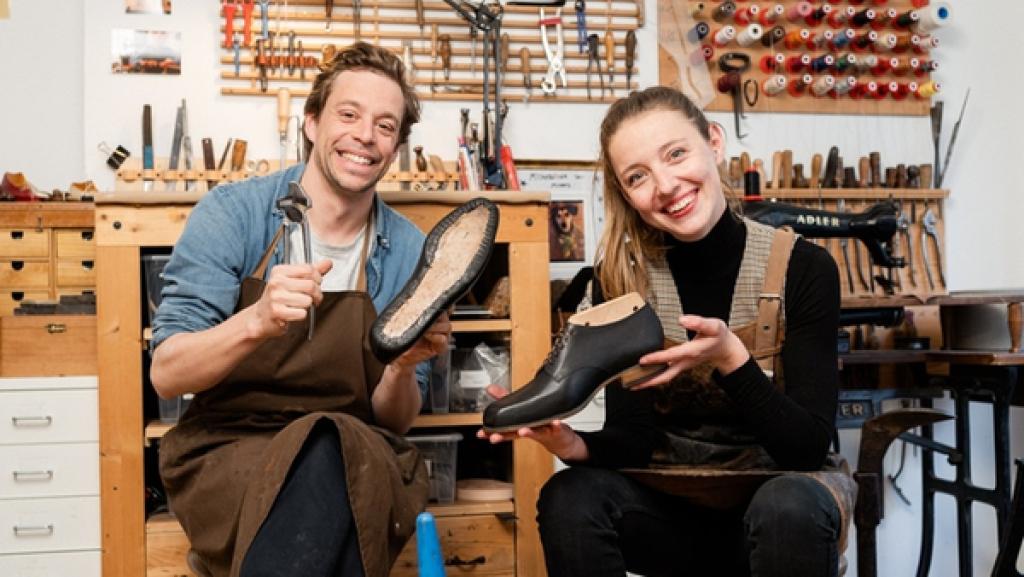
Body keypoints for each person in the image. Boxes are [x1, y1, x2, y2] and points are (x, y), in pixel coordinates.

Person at [481, 86, 851, 577]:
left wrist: (730, 359)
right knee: (570, 498)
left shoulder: (803, 268)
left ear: (713, 142)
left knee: (788, 506)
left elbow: (805, 448)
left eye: (676, 154)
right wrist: (575, 447)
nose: (666, 185)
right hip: (673, 509)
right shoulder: (621, 280)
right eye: (638, 176)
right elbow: (635, 440)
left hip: (779, 505)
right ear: (626, 194)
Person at [150, 42, 450, 577]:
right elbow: (168, 374)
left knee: (329, 447)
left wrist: (404, 366)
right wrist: (255, 322)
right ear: (311, 122)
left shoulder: (406, 250)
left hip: (354, 445)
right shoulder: (234, 215)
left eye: (385, 125)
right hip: (231, 445)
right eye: (349, 115)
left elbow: (395, 420)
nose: (365, 136)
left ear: (397, 145)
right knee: (326, 473)